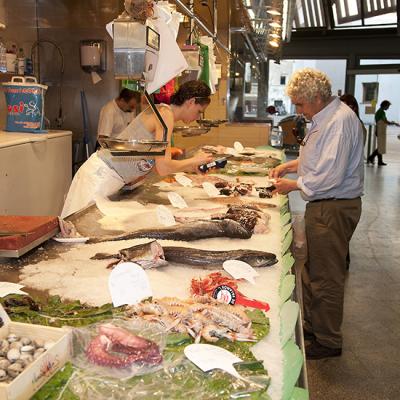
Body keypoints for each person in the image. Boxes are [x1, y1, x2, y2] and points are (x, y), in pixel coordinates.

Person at [269, 68, 364, 359]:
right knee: (313, 271)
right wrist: (290, 165)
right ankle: (314, 325)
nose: (298, 109)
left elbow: (330, 175)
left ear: (316, 98)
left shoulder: (339, 122)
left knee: (327, 276)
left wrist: (293, 185)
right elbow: (317, 158)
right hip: (324, 205)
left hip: (332, 206)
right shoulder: (324, 119)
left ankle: (328, 340)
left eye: (300, 103)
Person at [61, 80, 213, 218]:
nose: (197, 117)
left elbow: (155, 163)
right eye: (199, 111)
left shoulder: (163, 113)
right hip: (98, 177)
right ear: (191, 102)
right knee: (75, 232)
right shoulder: (165, 114)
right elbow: (163, 167)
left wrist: (190, 165)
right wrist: (193, 161)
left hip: (108, 178)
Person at [367, 100, 400, 166]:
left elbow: (385, 121)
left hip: (381, 130)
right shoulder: (380, 112)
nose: (388, 108)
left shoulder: (382, 112)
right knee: (380, 146)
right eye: (388, 106)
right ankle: (371, 157)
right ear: (384, 106)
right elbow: (385, 121)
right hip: (380, 130)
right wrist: (393, 123)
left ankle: (379, 161)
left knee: (381, 146)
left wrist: (393, 123)